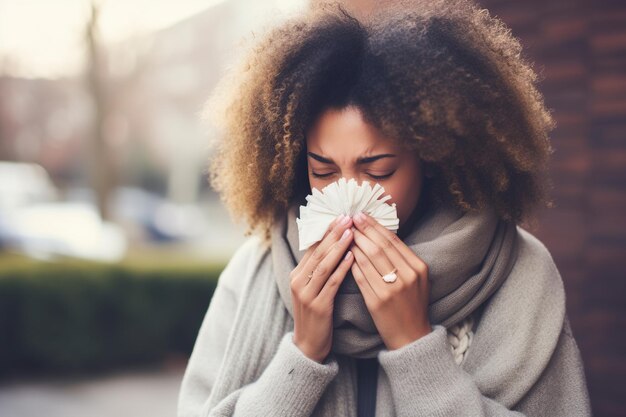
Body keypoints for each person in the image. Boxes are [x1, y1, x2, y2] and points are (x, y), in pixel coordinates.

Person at [177, 0, 592, 416]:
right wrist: (302, 356)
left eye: (377, 170)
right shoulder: (257, 270)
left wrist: (415, 347)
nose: (348, 201)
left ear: (431, 160)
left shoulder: (520, 275)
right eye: (323, 171)